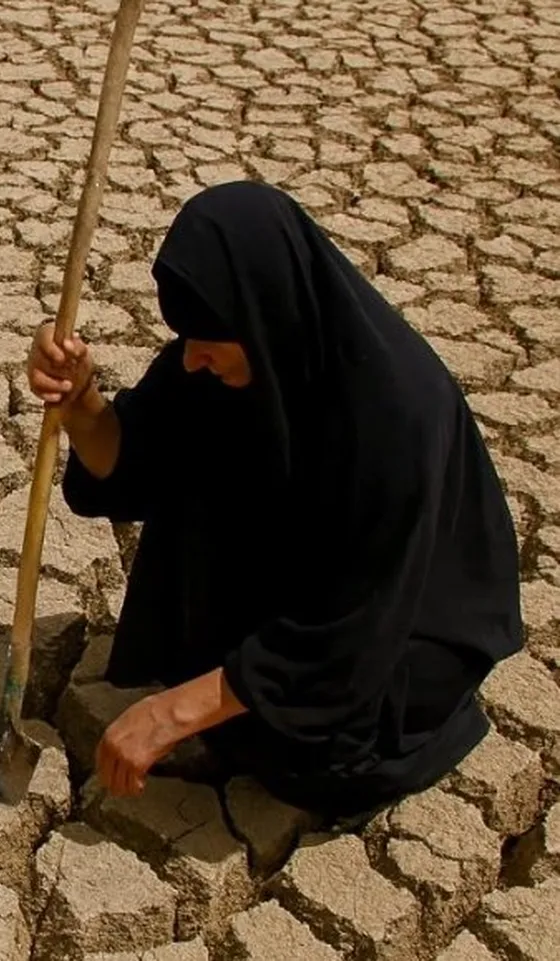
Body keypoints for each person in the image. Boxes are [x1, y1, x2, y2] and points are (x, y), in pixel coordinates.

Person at [26, 180, 523, 824]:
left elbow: (354, 621)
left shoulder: (397, 417)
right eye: (186, 337)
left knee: (311, 756)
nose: (192, 358)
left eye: (208, 339)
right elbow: (133, 466)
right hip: (309, 594)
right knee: (197, 485)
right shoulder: (231, 353)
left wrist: (174, 712)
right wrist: (79, 403)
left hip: (393, 630)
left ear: (263, 313)